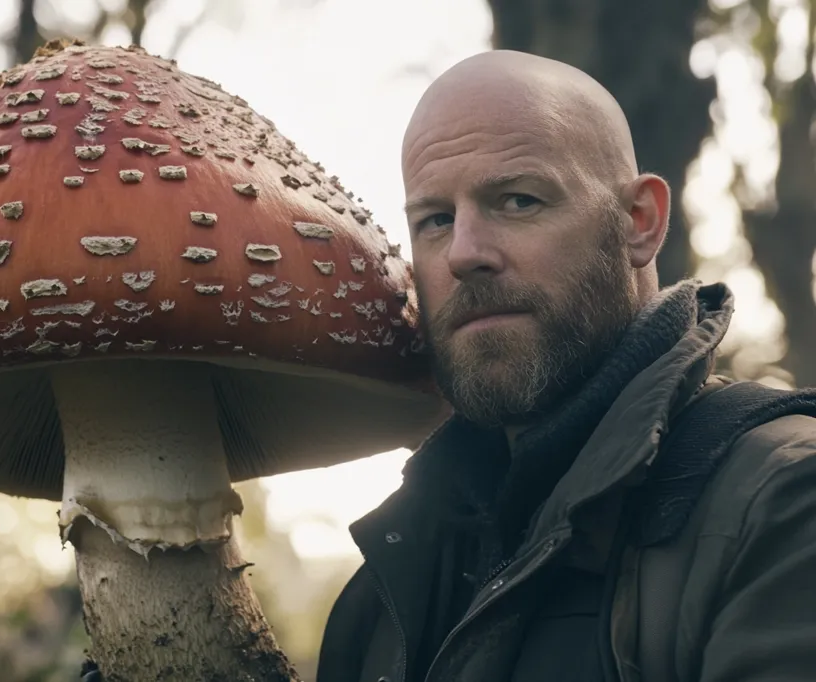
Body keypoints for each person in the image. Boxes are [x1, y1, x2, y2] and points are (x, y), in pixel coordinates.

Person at [315, 50, 816, 682]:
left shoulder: (784, 497)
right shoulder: (382, 592)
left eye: (518, 201)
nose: (463, 253)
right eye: (435, 220)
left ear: (640, 223)